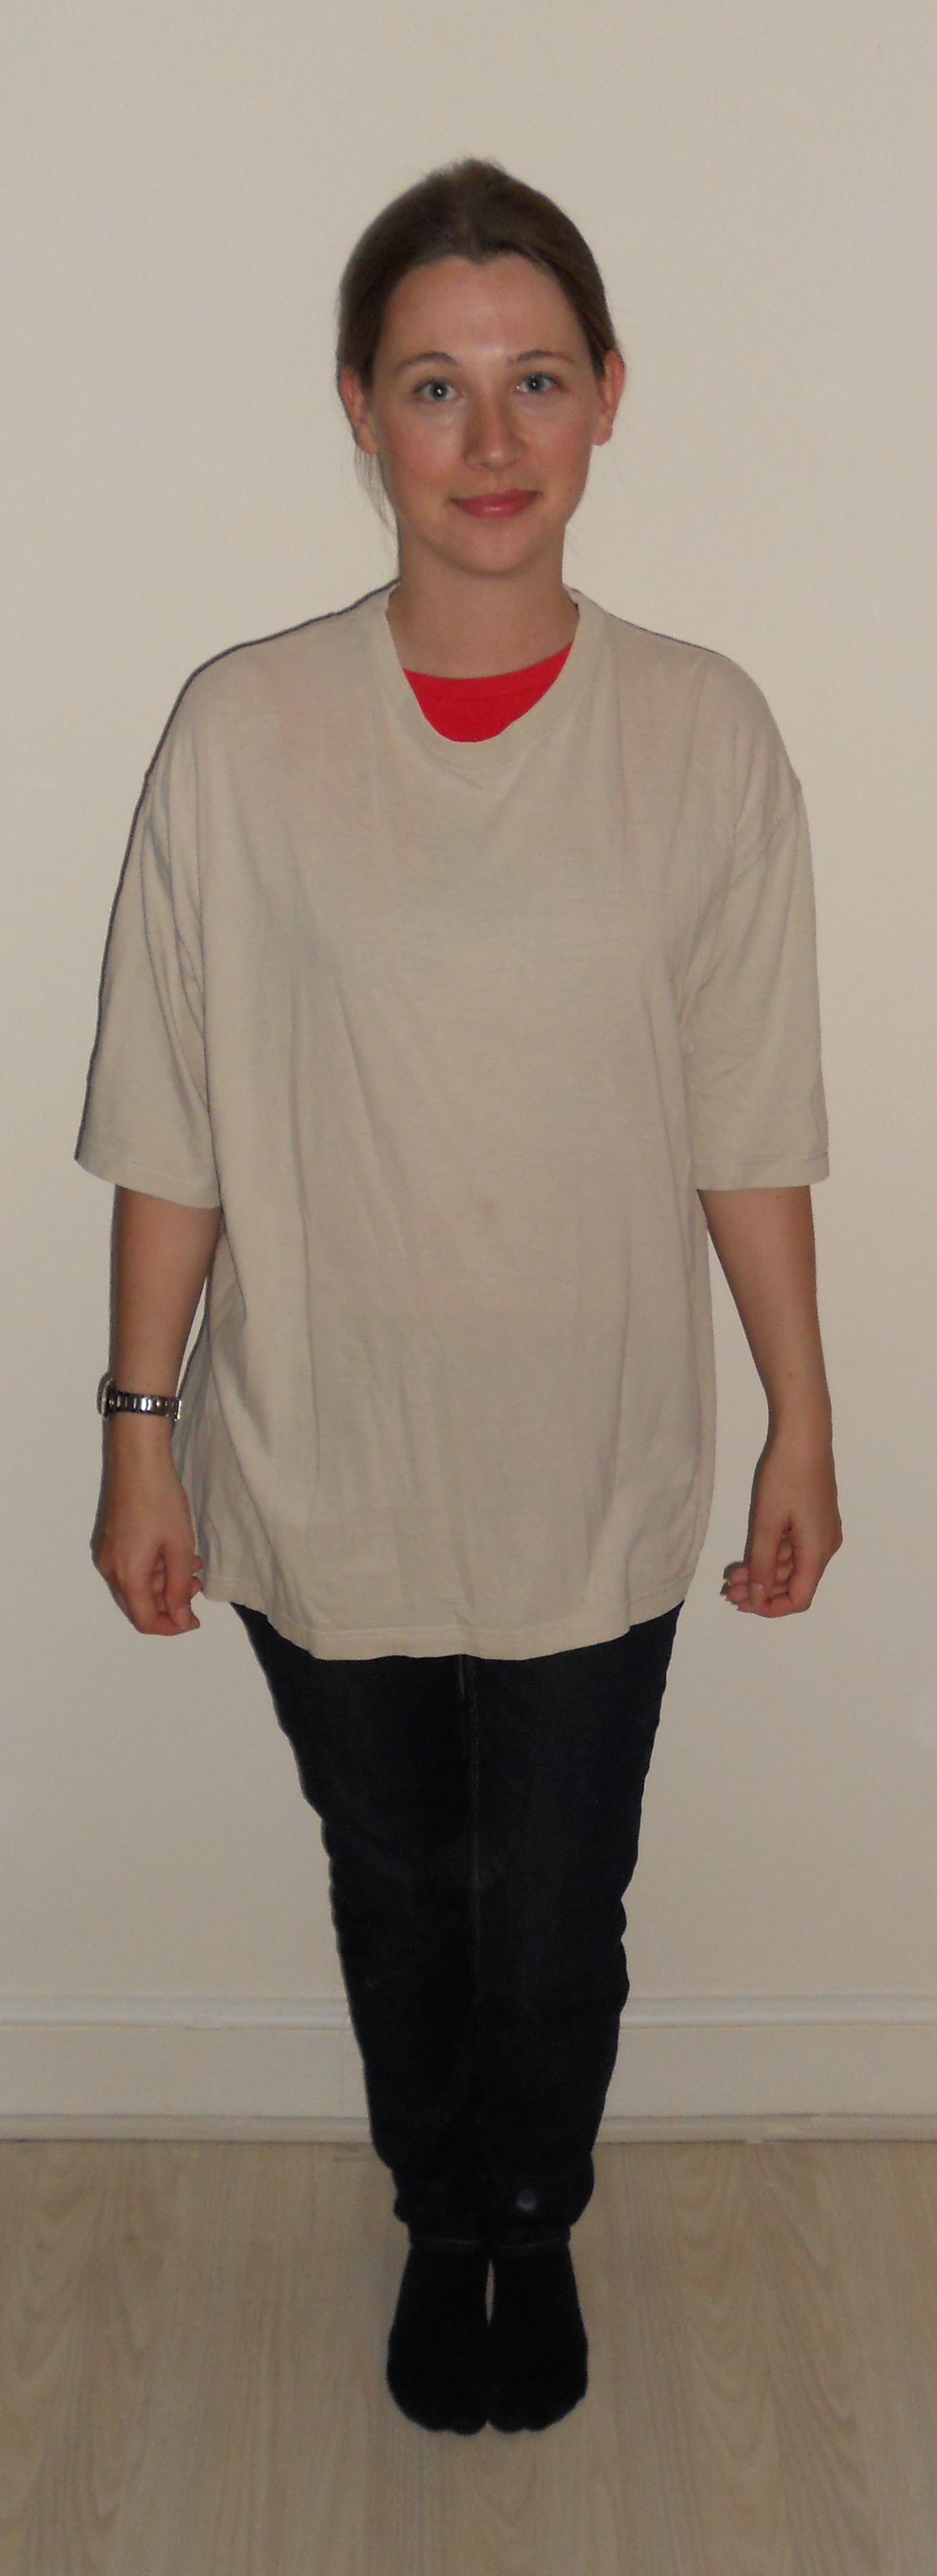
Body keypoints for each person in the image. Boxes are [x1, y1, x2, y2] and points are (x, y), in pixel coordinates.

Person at [77, 158, 841, 2439]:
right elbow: (173, 1122)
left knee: (560, 1899)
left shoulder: (701, 731)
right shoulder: (243, 734)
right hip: (318, 1444)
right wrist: (137, 1433)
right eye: (433, 386)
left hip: (597, 1446)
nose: (488, 440)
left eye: (533, 382)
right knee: (403, 1887)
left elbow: (748, 1118)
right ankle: (443, 2214)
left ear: (607, 398)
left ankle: (534, 2211)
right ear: (358, 410)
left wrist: (802, 1417)